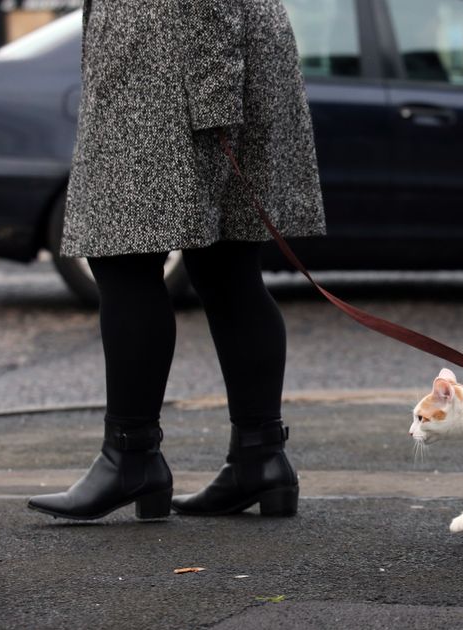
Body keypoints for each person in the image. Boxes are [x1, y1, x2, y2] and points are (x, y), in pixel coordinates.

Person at [27, 0, 326, 521]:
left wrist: (215, 99)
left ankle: (131, 456)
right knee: (226, 263)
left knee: (123, 256)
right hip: (200, 55)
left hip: (175, 65)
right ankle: (259, 458)